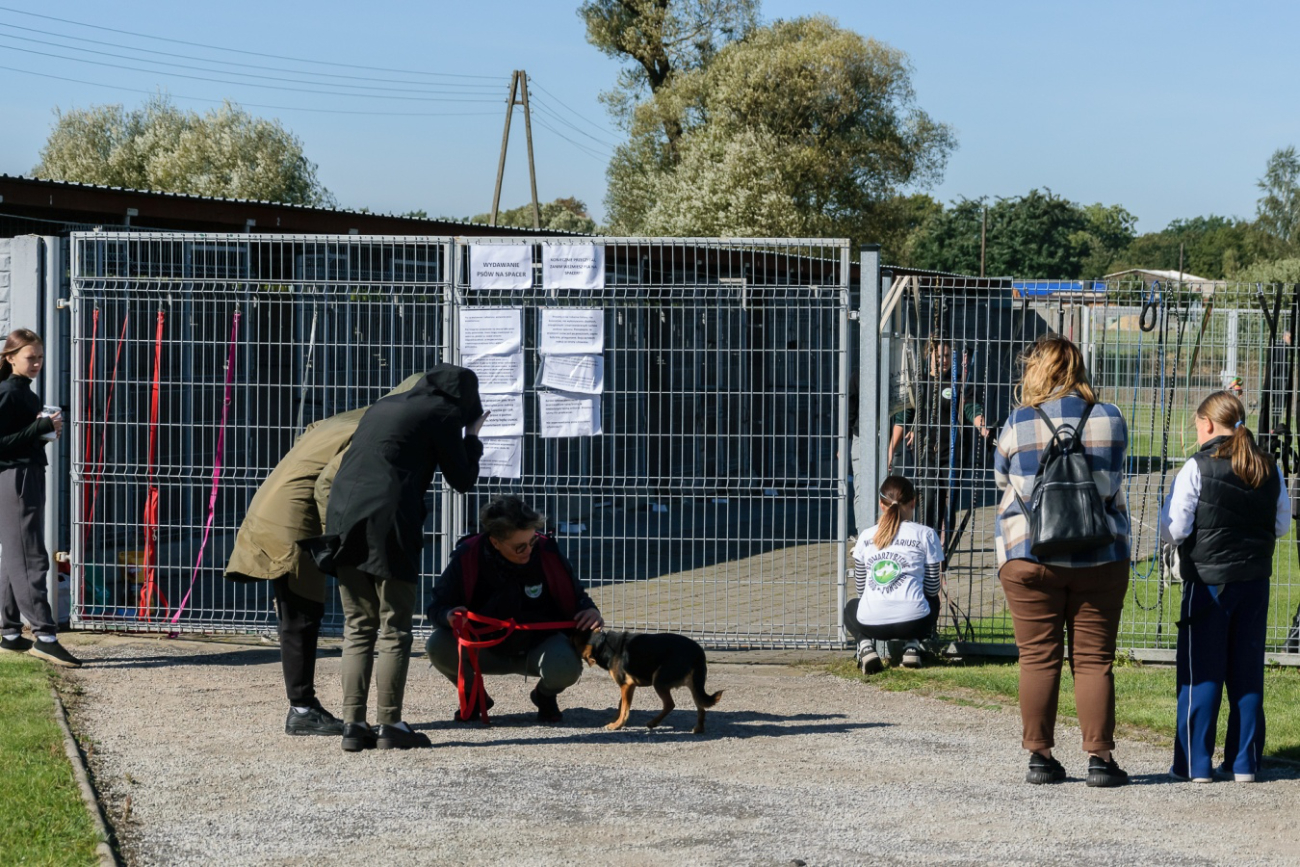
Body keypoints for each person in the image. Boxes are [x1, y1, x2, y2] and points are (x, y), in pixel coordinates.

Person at [225, 373, 426, 738]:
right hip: (295, 517)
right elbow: (327, 483)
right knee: (301, 615)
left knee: (298, 613)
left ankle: (302, 706)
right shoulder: (374, 428)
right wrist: (334, 539)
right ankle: (301, 709)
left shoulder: (355, 416)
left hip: (274, 503)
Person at [304, 364, 487, 751]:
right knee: (395, 627)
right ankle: (391, 725)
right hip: (390, 523)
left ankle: (354, 725)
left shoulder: (385, 405)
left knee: (358, 625)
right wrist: (471, 437)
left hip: (343, 516)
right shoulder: (443, 413)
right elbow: (462, 480)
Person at [993, 334, 1130, 787]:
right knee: (1094, 660)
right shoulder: (1109, 418)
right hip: (1100, 554)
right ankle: (1101, 760)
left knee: (1037, 658)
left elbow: (1004, 481)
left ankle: (1040, 757)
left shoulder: (1017, 422)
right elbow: (1110, 486)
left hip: (1029, 554)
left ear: (1037, 370)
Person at [1160, 391, 1289, 783]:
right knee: (1247, 672)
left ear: (1208, 424)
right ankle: (1244, 762)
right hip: (1254, 582)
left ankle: (1194, 764)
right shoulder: (1269, 466)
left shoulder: (1197, 467)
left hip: (1207, 583)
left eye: (1198, 424)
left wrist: (1166, 541)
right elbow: (1281, 525)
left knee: (1202, 672)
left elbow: (1176, 527)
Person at [426, 495, 604, 722]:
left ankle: (544, 695)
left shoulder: (547, 551)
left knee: (565, 665)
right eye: (520, 547)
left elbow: (577, 596)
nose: (529, 550)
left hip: (537, 645)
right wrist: (448, 615)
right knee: (438, 644)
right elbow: (436, 607)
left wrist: (591, 611)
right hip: (484, 645)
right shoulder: (468, 555)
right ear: (495, 542)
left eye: (532, 542)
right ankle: (474, 695)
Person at [0, 329, 80, 667]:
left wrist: (44, 434)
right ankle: (45, 637)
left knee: (13, 557)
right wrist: (39, 428)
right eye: (30, 357)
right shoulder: (8, 392)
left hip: (23, 474)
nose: (36, 363)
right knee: (31, 556)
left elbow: (19, 437)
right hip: (17, 478)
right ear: (11, 357)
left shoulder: (23, 393)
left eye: (40, 357)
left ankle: (10, 633)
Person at [844, 476, 941, 675]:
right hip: (915, 621)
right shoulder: (926, 534)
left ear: (881, 505)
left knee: (850, 608)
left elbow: (862, 591)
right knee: (933, 601)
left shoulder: (865, 536)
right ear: (913, 502)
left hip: (872, 625)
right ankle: (912, 646)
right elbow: (932, 588)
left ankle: (866, 647)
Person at [909, 337, 991, 543]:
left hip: (954, 452)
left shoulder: (959, 382)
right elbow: (907, 411)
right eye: (939, 356)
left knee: (949, 503)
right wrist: (903, 434)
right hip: (926, 450)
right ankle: (926, 546)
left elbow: (971, 406)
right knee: (927, 500)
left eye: (947, 356)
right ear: (929, 356)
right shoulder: (920, 382)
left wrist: (982, 425)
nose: (943, 360)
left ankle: (942, 555)